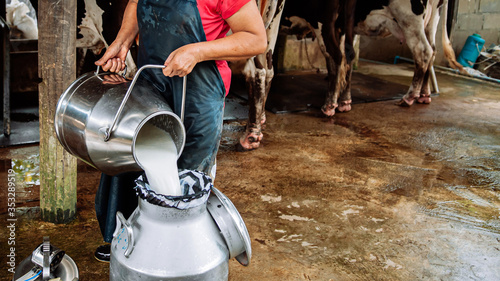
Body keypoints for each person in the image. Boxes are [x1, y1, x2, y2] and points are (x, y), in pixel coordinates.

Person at [92, 0, 267, 262]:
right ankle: (130, 242)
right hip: (152, 80)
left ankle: (178, 254)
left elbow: (256, 39)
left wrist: (197, 51)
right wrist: (122, 42)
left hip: (199, 90)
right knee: (131, 158)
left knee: (189, 174)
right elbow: (136, 3)